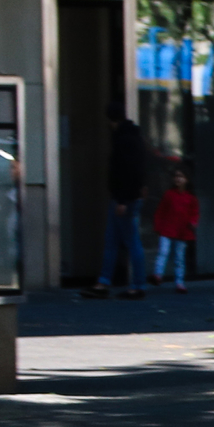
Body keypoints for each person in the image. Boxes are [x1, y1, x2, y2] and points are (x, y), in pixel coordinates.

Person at [93, 100, 147, 299]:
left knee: (126, 241)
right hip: (128, 196)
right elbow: (137, 169)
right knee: (117, 240)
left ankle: (137, 284)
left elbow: (124, 171)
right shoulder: (134, 136)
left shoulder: (122, 139)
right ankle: (105, 281)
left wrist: (122, 199)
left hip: (123, 198)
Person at [150, 161, 198, 293]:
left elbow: (194, 213)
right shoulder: (169, 195)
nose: (178, 179)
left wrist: (193, 222)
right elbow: (161, 211)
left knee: (179, 257)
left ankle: (179, 282)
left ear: (187, 179)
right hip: (168, 229)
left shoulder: (190, 198)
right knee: (163, 252)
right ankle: (158, 275)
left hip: (181, 231)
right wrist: (158, 226)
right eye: (176, 176)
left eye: (181, 176)